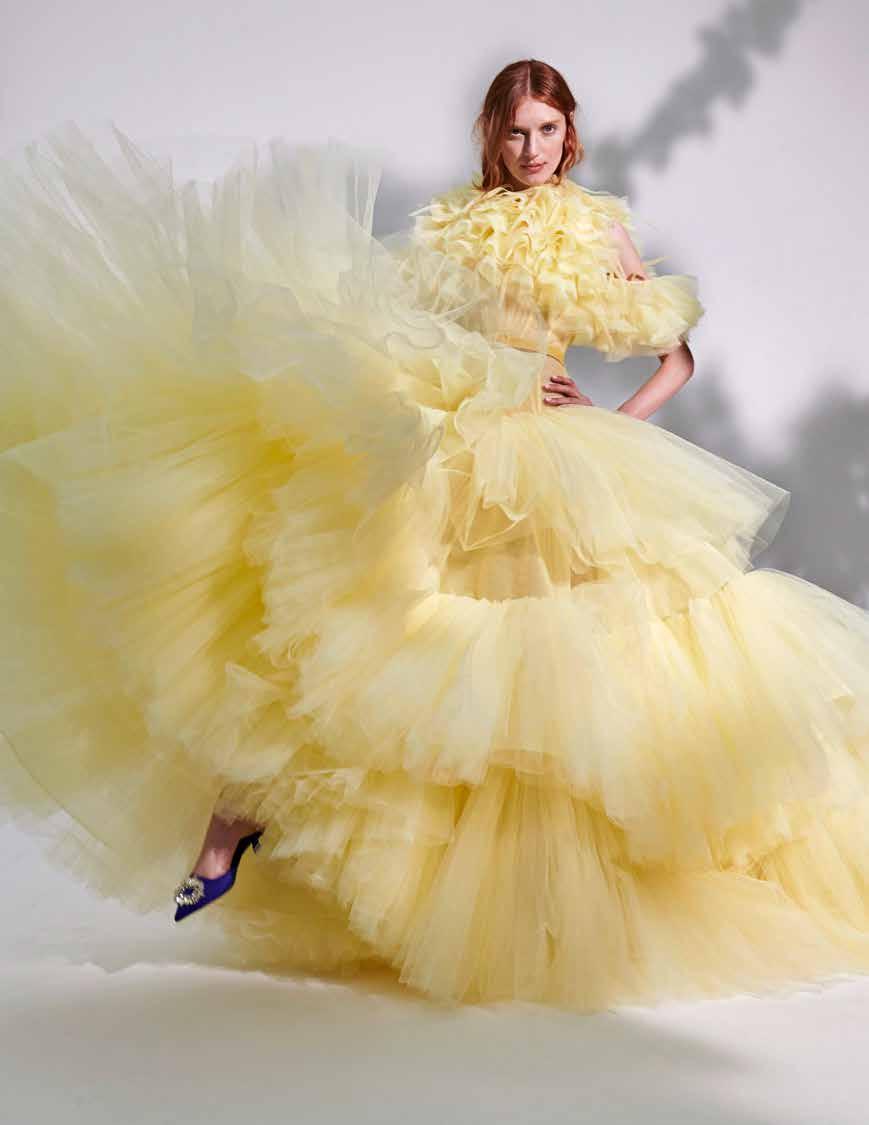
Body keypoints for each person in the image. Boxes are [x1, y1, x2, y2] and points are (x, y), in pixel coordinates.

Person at [2, 57, 869, 1012]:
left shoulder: (595, 228)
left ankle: (540, 896)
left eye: (547, 130)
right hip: (454, 439)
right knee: (362, 631)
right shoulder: (455, 224)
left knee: (542, 668)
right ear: (491, 134)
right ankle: (234, 821)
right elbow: (394, 330)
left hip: (548, 461)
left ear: (570, 133)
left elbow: (676, 357)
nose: (532, 150)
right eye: (515, 131)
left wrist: (612, 424)